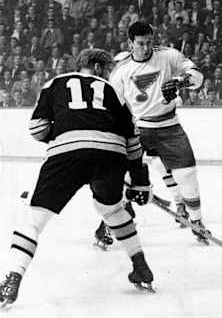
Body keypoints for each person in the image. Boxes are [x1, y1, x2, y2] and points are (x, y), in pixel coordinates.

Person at [0, 49, 155, 307]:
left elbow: (37, 129)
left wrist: (62, 134)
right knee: (112, 210)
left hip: (66, 155)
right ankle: (140, 265)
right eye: (106, 69)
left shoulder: (55, 83)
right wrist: (139, 180)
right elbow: (133, 144)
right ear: (95, 67)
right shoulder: (114, 91)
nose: (108, 74)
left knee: (34, 218)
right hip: (110, 156)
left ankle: (13, 277)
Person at [95, 21, 209, 243]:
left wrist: (180, 81)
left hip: (169, 126)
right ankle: (109, 225)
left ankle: (196, 221)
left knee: (187, 174)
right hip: (138, 129)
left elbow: (198, 77)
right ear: (130, 44)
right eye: (140, 44)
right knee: (123, 181)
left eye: (149, 43)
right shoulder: (120, 71)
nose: (146, 48)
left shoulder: (168, 56)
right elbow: (113, 109)